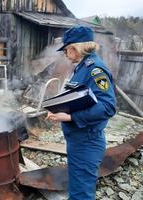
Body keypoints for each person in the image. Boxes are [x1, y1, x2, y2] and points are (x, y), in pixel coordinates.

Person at [46, 26, 116, 200]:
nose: (65, 54)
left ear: (75, 47)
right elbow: (81, 99)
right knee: (77, 186)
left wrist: (70, 117)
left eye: (66, 49)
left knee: (81, 193)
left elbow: (107, 106)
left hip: (87, 141)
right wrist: (59, 108)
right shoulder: (81, 67)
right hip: (78, 139)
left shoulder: (95, 70)